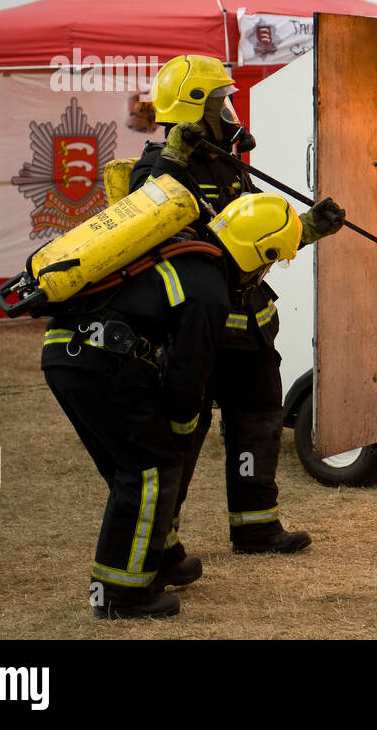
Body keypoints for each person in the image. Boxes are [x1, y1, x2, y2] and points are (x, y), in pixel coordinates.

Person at [41, 193, 304, 619]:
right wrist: (182, 429)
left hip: (70, 355)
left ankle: (158, 557)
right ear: (257, 253)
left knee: (137, 468)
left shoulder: (189, 252)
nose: (266, 273)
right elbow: (188, 376)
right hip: (96, 363)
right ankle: (118, 595)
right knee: (151, 468)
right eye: (271, 261)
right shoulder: (211, 291)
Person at [130, 55, 344, 557]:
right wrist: (174, 159)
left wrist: (306, 229)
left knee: (259, 420)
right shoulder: (156, 169)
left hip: (248, 323)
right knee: (184, 431)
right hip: (195, 328)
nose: (230, 111)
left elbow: (255, 234)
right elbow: (145, 216)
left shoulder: (227, 165)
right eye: (221, 102)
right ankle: (162, 541)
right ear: (192, 109)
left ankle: (256, 527)